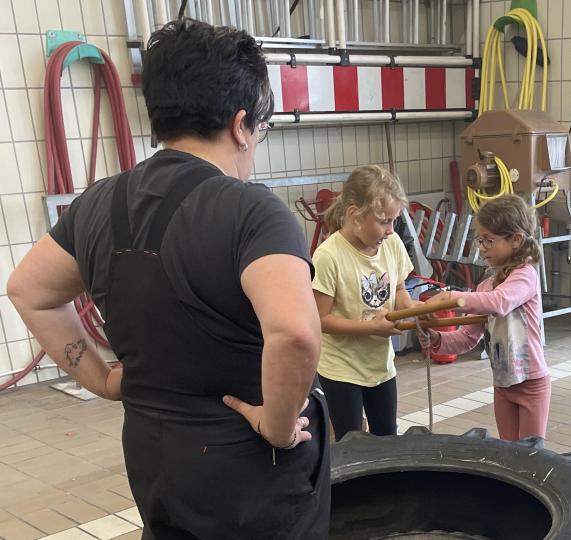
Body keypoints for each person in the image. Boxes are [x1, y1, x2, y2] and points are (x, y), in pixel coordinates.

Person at [7, 19, 330, 539]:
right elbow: (295, 333)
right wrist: (276, 423)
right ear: (242, 124)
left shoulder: (97, 202)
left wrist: (103, 379)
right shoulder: (252, 211)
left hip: (154, 454)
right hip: (250, 465)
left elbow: (28, 290)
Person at [420, 194, 551, 441]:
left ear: (515, 240)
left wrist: (453, 298)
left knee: (531, 457)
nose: (481, 248)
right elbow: (467, 338)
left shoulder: (525, 275)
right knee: (507, 455)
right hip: (503, 384)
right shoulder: (485, 286)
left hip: (532, 383)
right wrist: (436, 338)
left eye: (489, 241)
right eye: (480, 240)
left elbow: (500, 302)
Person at [312, 165, 418, 440]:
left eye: (394, 221)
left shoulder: (391, 245)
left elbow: (398, 291)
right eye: (384, 221)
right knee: (352, 443)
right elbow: (320, 320)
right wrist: (370, 327)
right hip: (341, 369)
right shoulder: (328, 256)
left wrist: (418, 312)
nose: (391, 230)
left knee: (387, 437)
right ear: (354, 214)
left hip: (381, 365)